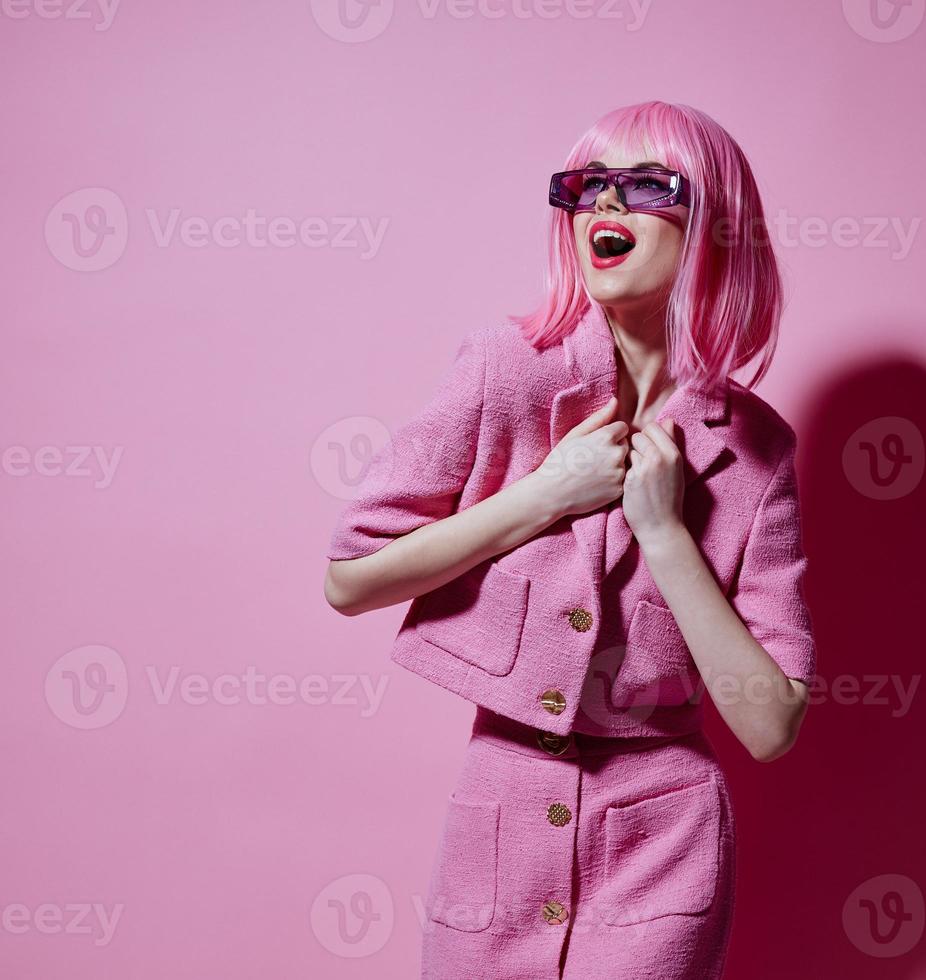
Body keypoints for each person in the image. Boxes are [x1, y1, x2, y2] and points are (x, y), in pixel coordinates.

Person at [323, 100, 816, 980]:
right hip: (500, 821)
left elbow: (769, 722)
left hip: (663, 838)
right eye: (587, 186)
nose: (605, 207)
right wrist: (547, 494)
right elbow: (352, 577)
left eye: (645, 185)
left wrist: (666, 535)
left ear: (714, 223)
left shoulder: (757, 449)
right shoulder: (505, 369)